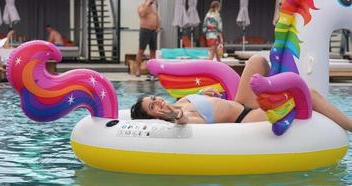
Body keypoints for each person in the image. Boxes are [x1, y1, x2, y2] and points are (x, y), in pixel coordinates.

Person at [131, 55, 352, 132]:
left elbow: (202, 102)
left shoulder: (180, 101)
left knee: (257, 61)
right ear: (154, 117)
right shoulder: (180, 117)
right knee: (308, 94)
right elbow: (188, 121)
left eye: (153, 98)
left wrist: (203, 93)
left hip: (240, 102)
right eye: (153, 106)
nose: (157, 100)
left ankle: (276, 86)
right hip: (244, 118)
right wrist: (174, 115)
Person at [136, 0, 160, 78]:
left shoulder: (154, 5)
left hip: (154, 31)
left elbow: (156, 16)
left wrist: (158, 26)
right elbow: (142, 14)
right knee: (141, 50)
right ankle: (138, 70)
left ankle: (152, 71)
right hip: (145, 30)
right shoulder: (142, 5)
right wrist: (148, 4)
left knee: (153, 51)